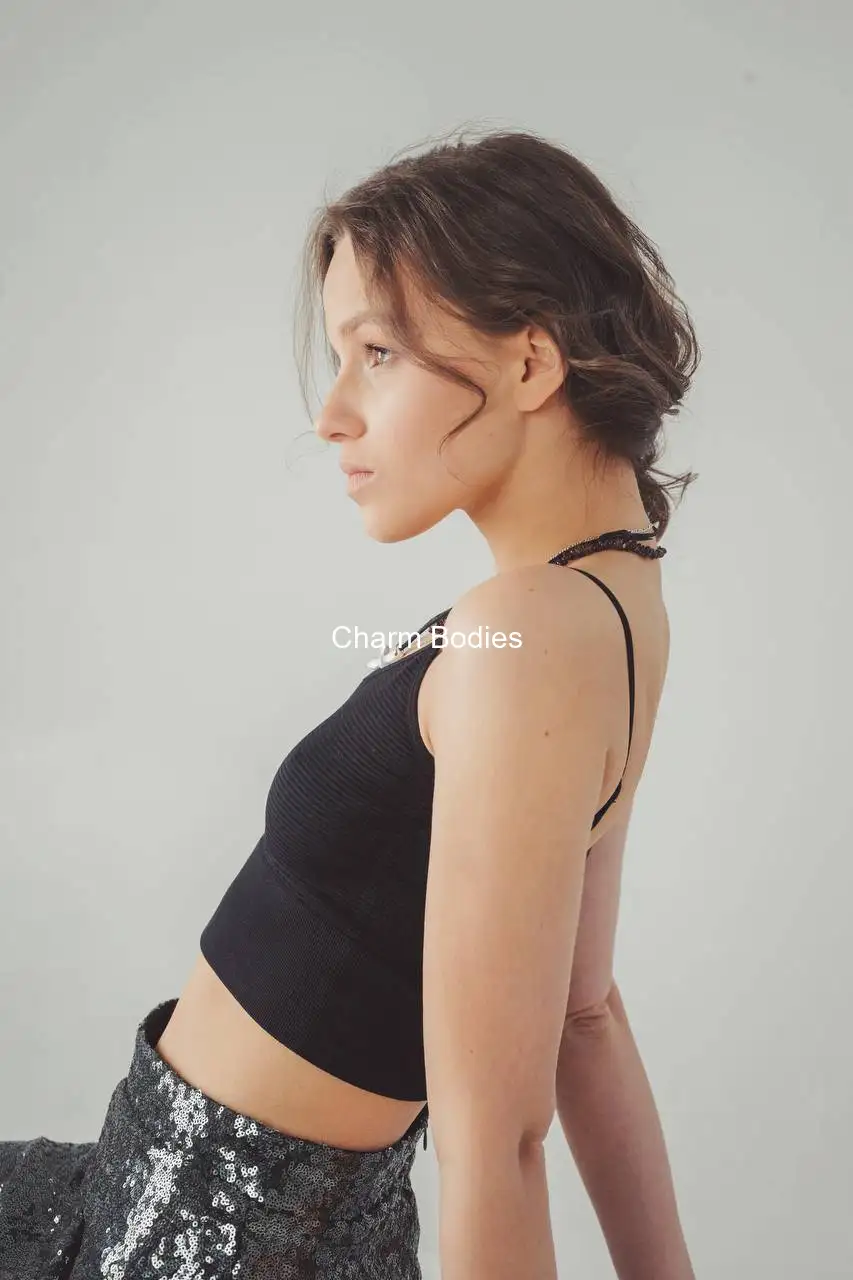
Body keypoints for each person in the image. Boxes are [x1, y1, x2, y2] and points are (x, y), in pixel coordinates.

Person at [0, 125, 698, 1278]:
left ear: (531, 364)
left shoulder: (525, 630)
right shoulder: (610, 603)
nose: (331, 413)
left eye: (375, 352)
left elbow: (495, 1143)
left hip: (185, 1243)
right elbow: (584, 1015)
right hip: (236, 1213)